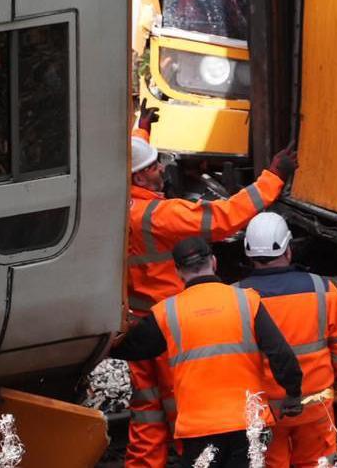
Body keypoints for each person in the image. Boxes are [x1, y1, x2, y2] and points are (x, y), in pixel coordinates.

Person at [124, 129, 297, 467]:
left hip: (142, 326)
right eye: (155, 164)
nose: (162, 168)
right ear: (140, 174)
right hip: (177, 328)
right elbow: (223, 218)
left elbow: (125, 156)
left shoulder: (119, 205)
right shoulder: (160, 216)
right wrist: (273, 177)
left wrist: (140, 132)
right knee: (185, 406)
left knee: (146, 415)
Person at [113, 237, 304, 468]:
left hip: (200, 431)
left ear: (178, 272)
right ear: (214, 262)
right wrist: (293, 393)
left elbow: (131, 348)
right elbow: (280, 353)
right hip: (249, 424)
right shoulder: (246, 301)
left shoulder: (167, 312)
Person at [236, 213, 337, 468]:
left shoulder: (235, 298)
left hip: (262, 410)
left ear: (248, 252)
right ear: (288, 250)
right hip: (314, 405)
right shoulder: (322, 289)